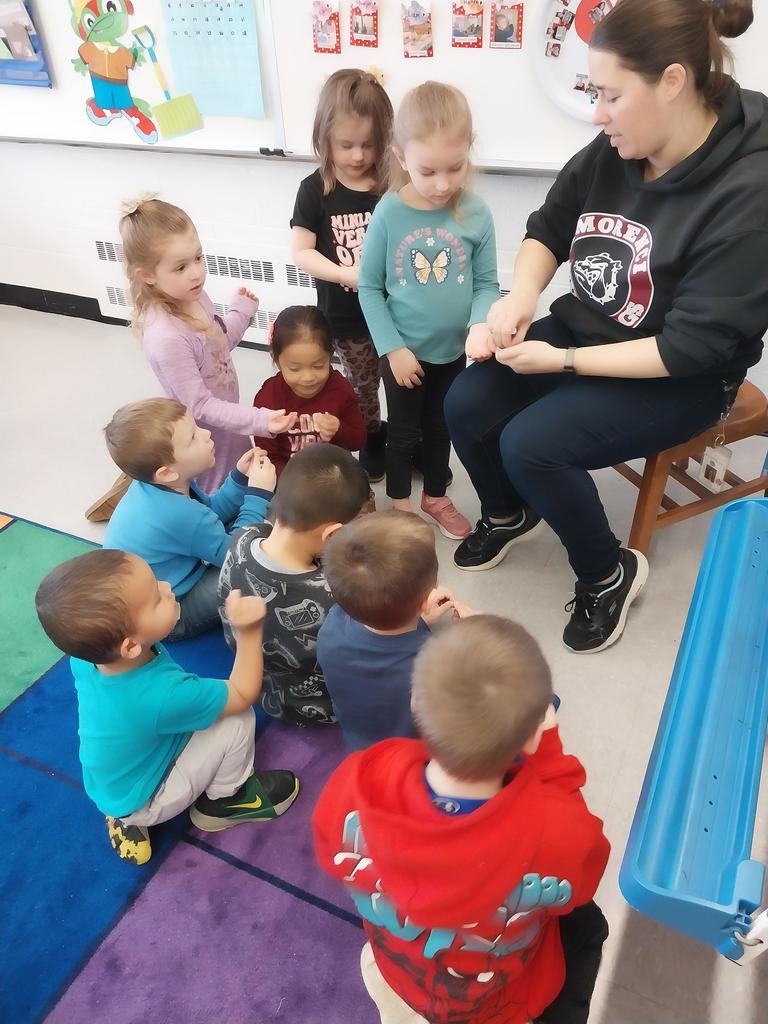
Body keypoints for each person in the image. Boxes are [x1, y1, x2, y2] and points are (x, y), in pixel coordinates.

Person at [446, 0, 767, 653]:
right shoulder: (621, 142)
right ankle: (511, 512)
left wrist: (560, 364)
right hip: (593, 331)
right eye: (595, 93)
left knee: (531, 443)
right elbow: (550, 227)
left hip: (685, 375)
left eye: (611, 96)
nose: (597, 113)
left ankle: (606, 573)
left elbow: (686, 348)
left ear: (672, 81)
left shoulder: (749, 187)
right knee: (467, 401)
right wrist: (518, 302)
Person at [313, 616, 610, 1024]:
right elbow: (584, 880)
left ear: (415, 701)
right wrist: (550, 758)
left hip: (400, 975)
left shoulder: (355, 778)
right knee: (590, 929)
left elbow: (330, 847)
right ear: (532, 735)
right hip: (505, 1004)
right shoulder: (557, 832)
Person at [35, 549, 300, 866]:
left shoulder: (89, 658)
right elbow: (243, 693)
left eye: (156, 581)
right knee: (237, 717)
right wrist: (250, 632)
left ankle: (124, 815)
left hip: (114, 782)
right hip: (149, 796)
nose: (167, 588)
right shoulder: (160, 696)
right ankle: (226, 801)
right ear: (131, 646)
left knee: (177, 720)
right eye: (155, 599)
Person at [359, 82, 500, 541]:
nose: (443, 184)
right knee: (402, 432)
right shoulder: (389, 213)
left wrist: (480, 326)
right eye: (428, 171)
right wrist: (393, 349)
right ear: (401, 158)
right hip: (401, 352)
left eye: (454, 168)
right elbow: (369, 288)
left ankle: (435, 496)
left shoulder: (477, 213)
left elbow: (485, 284)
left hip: (454, 352)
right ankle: (400, 506)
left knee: (442, 428)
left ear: (469, 151)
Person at [118, 194, 296, 492]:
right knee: (219, 493)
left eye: (198, 258)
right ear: (146, 275)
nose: (197, 272)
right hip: (201, 434)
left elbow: (217, 346)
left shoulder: (193, 295)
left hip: (227, 421)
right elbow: (199, 405)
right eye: (180, 267)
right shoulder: (167, 337)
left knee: (239, 478)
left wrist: (241, 313)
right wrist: (258, 420)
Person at [218, 443, 371, 727]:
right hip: (316, 707)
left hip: (258, 685)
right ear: (333, 533)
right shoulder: (333, 594)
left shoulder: (242, 535)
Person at [291, 69, 394, 482]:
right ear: (325, 138)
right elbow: (302, 252)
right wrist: (343, 273)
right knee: (364, 388)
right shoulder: (315, 189)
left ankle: (404, 439)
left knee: (404, 385)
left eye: (368, 145)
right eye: (345, 145)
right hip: (348, 320)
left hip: (397, 313)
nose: (357, 156)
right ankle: (371, 440)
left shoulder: (390, 185)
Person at [104, 398, 276, 641]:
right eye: (193, 436)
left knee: (267, 518)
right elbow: (238, 555)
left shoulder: (163, 485)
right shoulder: (175, 513)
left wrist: (239, 479)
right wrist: (258, 495)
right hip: (172, 616)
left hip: (161, 593)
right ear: (166, 472)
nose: (206, 433)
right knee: (264, 553)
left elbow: (210, 512)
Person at [318, 510, 474, 751]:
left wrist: (420, 618)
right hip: (411, 757)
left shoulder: (331, 626)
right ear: (425, 599)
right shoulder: (436, 663)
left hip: (359, 748)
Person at [252, 305, 367, 476]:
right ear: (276, 360)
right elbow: (268, 455)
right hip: (289, 483)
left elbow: (358, 440)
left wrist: (338, 428)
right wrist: (294, 484)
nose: (308, 378)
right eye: (294, 369)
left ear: (331, 355)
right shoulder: (269, 398)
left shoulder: (340, 390)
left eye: (318, 366)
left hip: (335, 479)